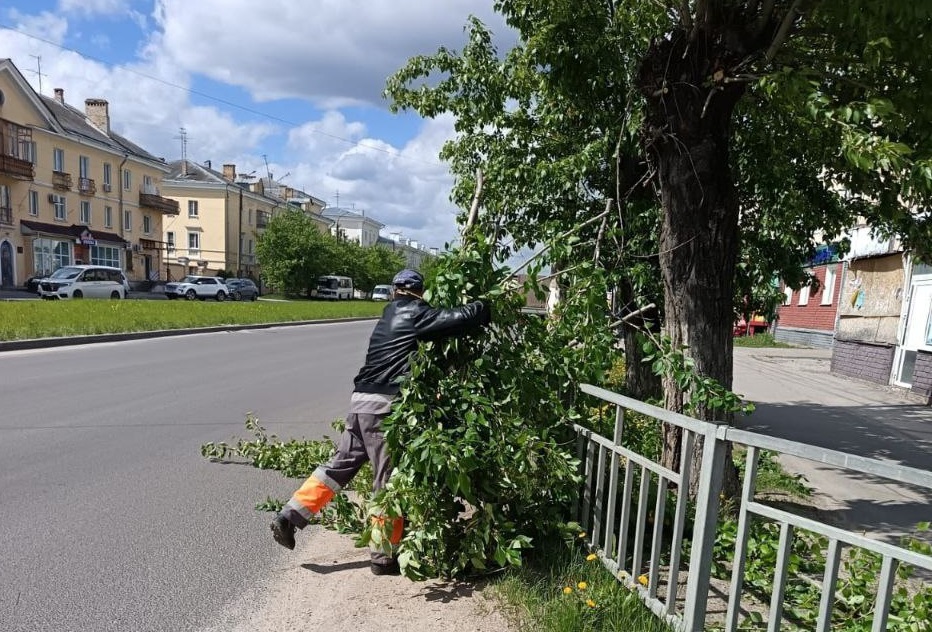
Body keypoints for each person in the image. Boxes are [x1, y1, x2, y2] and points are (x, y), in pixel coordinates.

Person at [270, 268, 489, 575]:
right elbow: (457, 319)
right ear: (418, 292)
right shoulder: (414, 312)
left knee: (338, 467)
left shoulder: (387, 315)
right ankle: (383, 557)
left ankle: (290, 515)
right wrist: (483, 305)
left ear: (394, 290)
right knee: (387, 480)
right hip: (385, 409)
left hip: (360, 402)